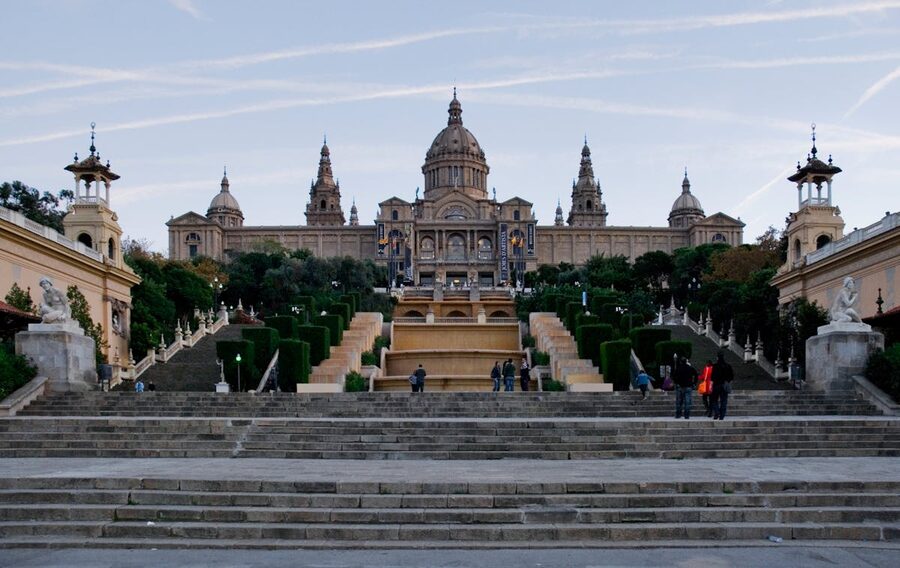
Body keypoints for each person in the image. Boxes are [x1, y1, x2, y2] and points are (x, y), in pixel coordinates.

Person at [709, 351, 734, 420]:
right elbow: (731, 376)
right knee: (724, 401)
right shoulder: (728, 366)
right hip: (724, 385)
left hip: (716, 385)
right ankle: (722, 415)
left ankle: (716, 412)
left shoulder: (715, 366)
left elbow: (712, 377)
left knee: (714, 400)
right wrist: (727, 381)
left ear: (717, 358)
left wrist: (710, 386)